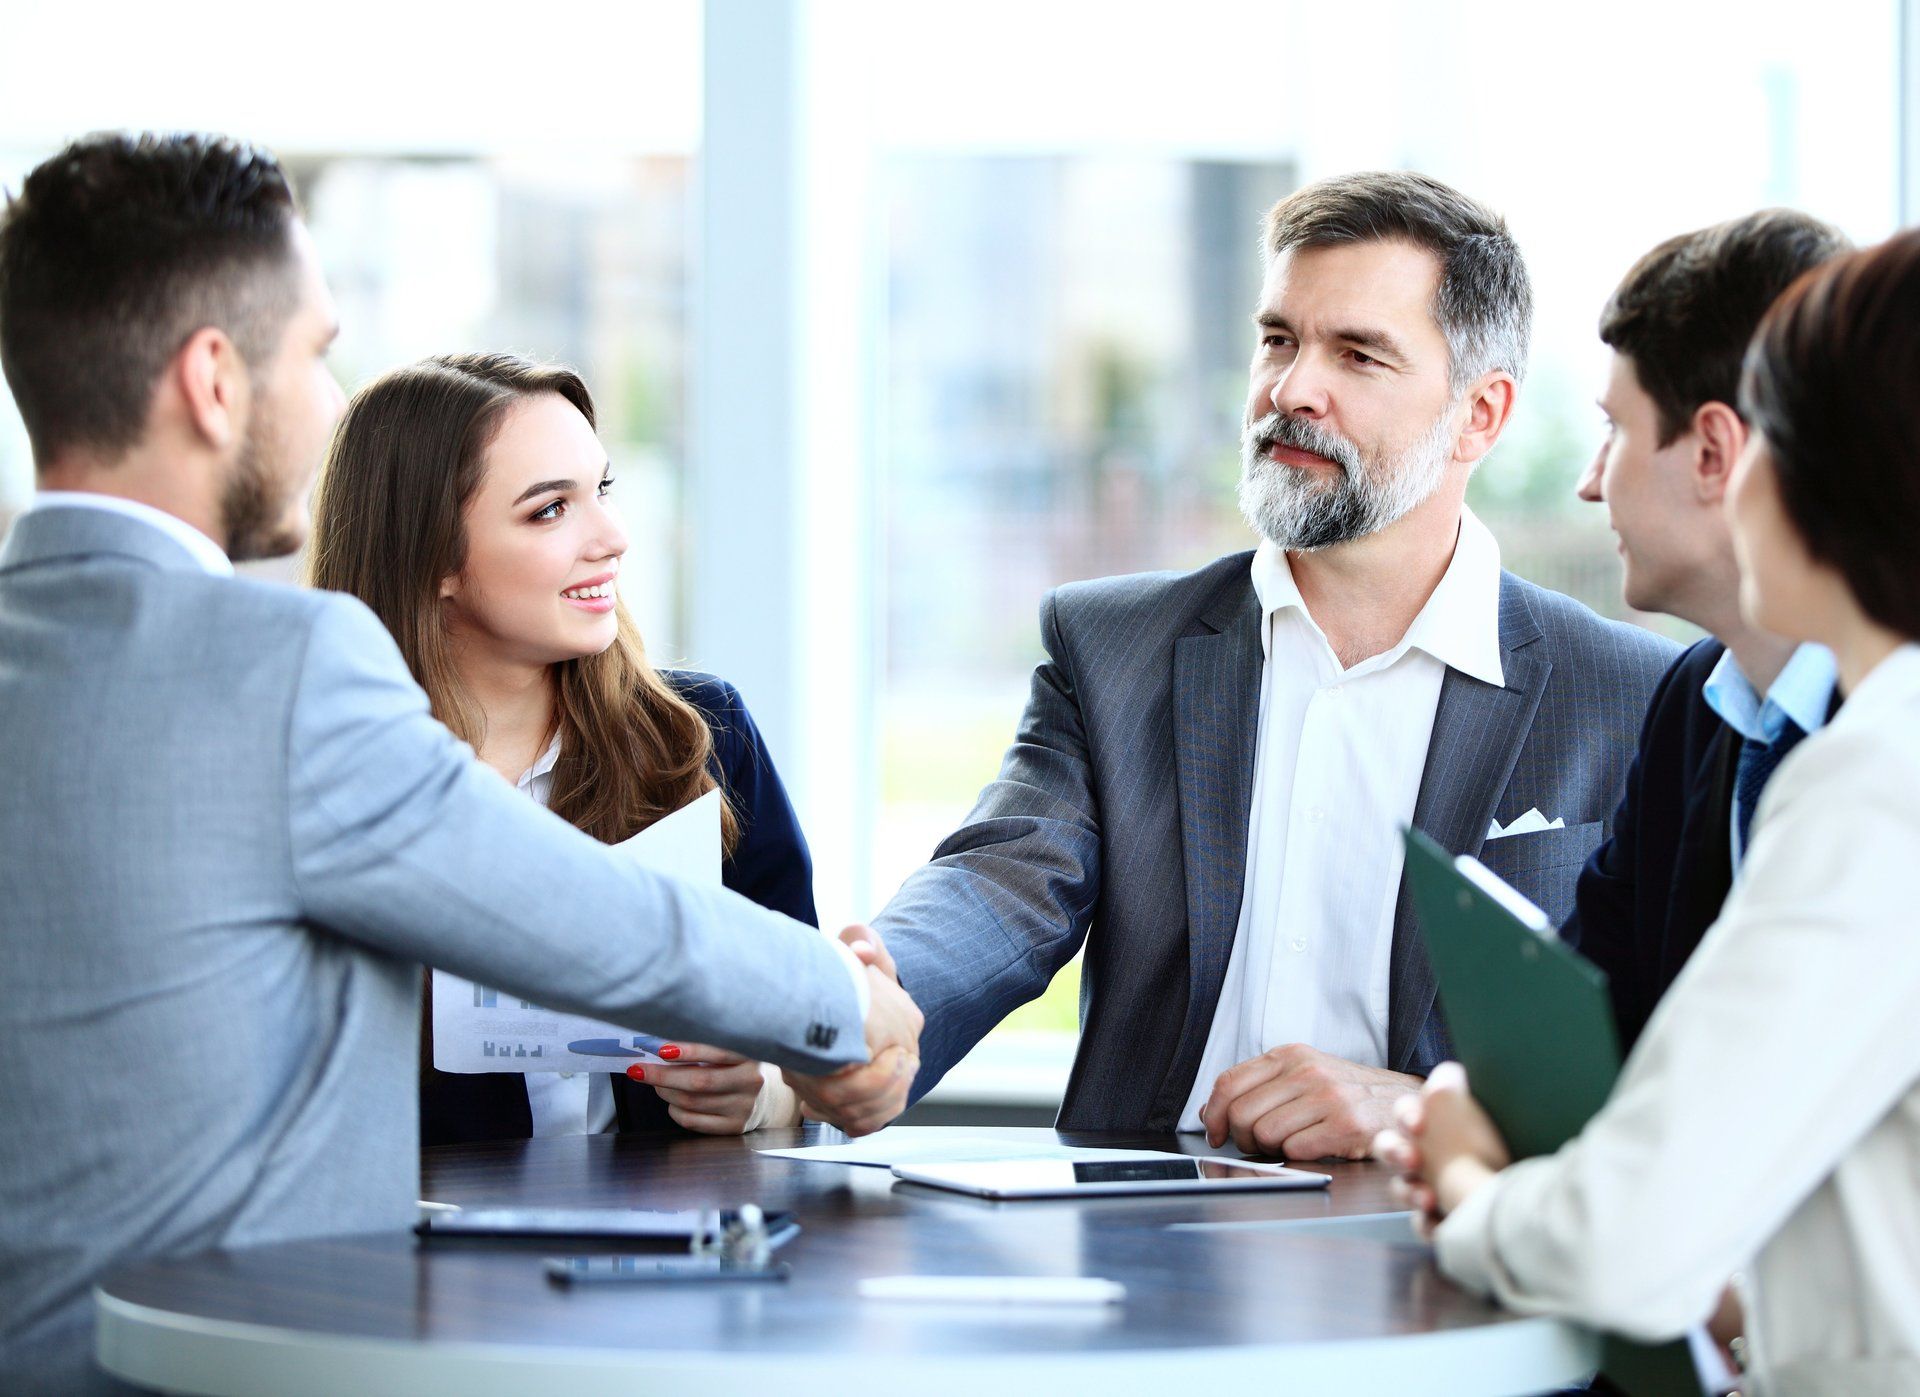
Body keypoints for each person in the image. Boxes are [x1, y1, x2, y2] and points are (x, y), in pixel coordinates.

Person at [0, 132, 918, 1389]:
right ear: (214, 379)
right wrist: (840, 996)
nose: (330, 404)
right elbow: (591, 921)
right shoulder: (282, 666)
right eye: (317, 353)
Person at [869, 171, 1675, 1155]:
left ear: (1481, 415)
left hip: (1444, 1249)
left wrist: (1427, 1110)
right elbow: (998, 888)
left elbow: (1666, 1065)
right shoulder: (1114, 649)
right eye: (1279, 339)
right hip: (1151, 1254)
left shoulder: (1633, 700)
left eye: (1359, 354)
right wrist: (860, 996)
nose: (1291, 389)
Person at [1378, 228, 1920, 1395]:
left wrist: (1473, 1184)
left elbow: (1623, 1244)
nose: (1589, 476)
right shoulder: (1773, 725)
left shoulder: (1883, 777)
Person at [309, 352, 816, 1141]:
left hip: (672, 1246)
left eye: (602, 490)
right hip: (422, 1253)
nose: (612, 538)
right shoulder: (323, 789)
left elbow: (807, 1037)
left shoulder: (700, 739)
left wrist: (765, 1097)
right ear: (433, 557)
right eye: (550, 509)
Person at [1565, 210, 1850, 1049]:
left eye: (1616, 428)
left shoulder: (1889, 731)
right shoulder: (1694, 698)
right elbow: (1596, 1010)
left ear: (1713, 453)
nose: (1590, 483)